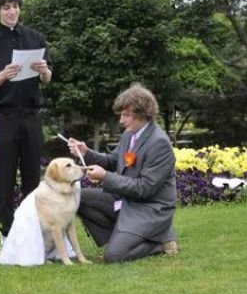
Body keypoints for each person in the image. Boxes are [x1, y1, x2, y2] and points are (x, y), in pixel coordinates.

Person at [0, 0, 52, 251]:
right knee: (6, 178)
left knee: (33, 178)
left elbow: (48, 78)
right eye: (6, 7)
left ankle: (34, 233)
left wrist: (43, 70)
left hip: (31, 116)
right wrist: (2, 75)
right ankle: (7, 234)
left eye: (15, 7)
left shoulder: (35, 38)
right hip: (5, 118)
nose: (11, 12)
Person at [67, 83, 179, 263]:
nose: (121, 120)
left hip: (149, 208)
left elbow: (145, 188)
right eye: (121, 115)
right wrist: (86, 152)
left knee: (114, 257)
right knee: (77, 196)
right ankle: (120, 236)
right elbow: (113, 161)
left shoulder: (159, 143)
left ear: (142, 113)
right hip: (126, 201)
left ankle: (160, 242)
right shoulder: (130, 134)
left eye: (126, 115)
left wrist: (105, 177)